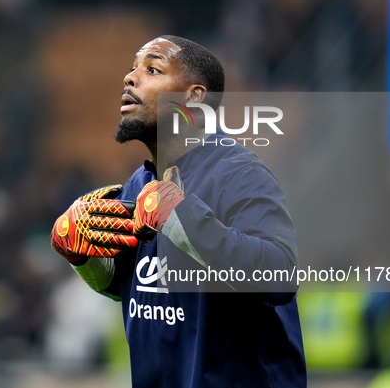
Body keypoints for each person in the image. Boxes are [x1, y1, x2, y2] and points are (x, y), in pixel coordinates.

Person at [51, 35, 306, 387]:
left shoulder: (238, 174)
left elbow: (280, 276)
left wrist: (181, 216)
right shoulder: (139, 185)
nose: (130, 78)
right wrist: (85, 259)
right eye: (132, 68)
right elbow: (143, 287)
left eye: (152, 69)